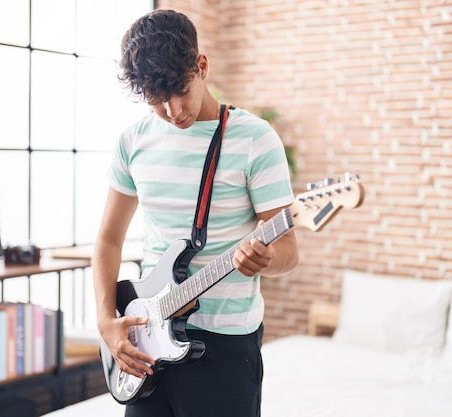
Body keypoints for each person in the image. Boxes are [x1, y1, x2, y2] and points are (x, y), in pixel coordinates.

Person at [92, 9, 299, 417]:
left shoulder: (256, 139)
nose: (172, 110)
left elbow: (290, 249)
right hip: (147, 339)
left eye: (180, 90)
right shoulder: (132, 142)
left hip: (225, 347)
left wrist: (267, 259)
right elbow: (108, 240)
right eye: (155, 99)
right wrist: (105, 322)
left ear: (201, 66)